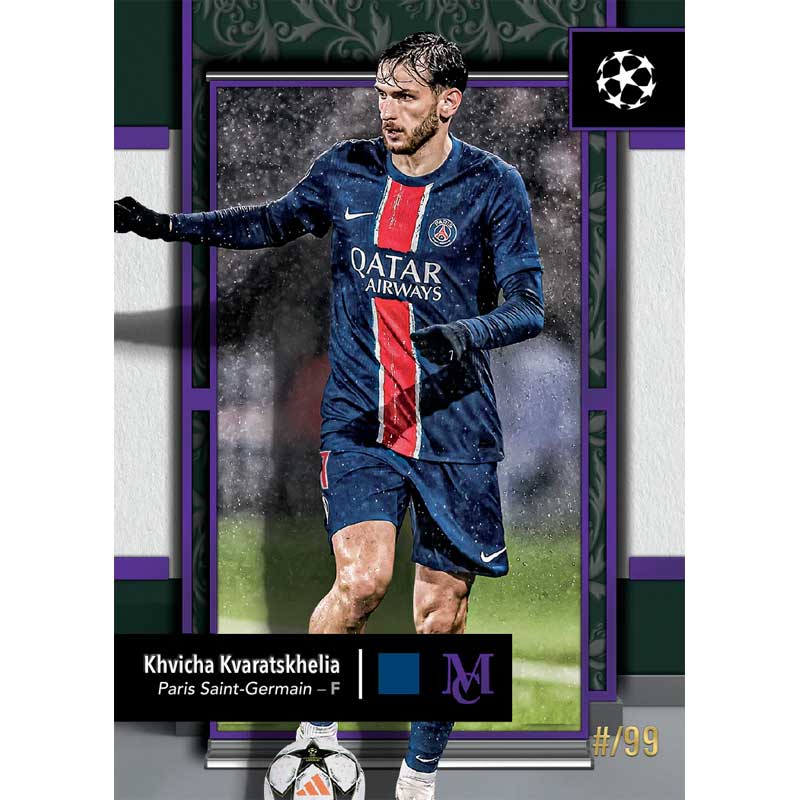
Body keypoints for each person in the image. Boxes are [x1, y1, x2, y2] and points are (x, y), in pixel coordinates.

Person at [116, 31, 544, 800]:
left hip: (454, 431)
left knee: (441, 617)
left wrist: (464, 333)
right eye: (382, 92)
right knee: (362, 580)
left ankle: (416, 782)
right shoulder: (345, 171)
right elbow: (268, 221)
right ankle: (316, 744)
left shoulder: (493, 186)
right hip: (359, 423)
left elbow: (528, 306)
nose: (387, 108)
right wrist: (167, 225)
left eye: (405, 95)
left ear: (448, 102)